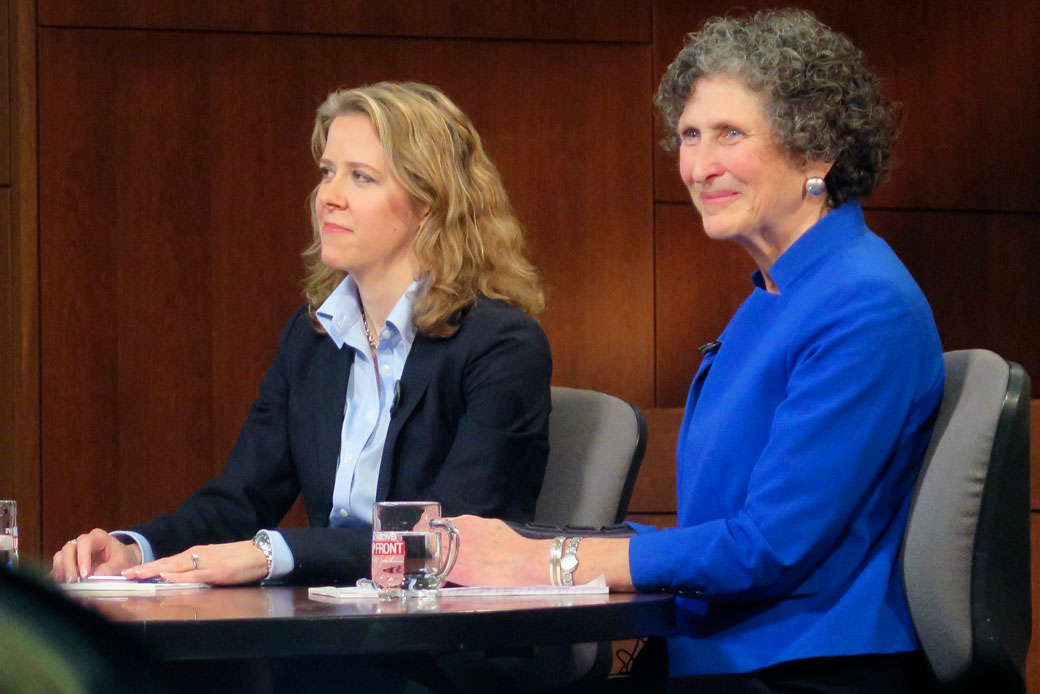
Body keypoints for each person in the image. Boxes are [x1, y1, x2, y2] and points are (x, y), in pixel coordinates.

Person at [449, 9, 944, 692]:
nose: (698, 166)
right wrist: (528, 545)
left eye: (729, 134)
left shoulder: (863, 302)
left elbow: (764, 548)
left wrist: (551, 562)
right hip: (722, 654)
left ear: (817, 150)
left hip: (802, 668)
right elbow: (721, 533)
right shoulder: (771, 300)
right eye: (688, 136)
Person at [52, 81, 552, 587]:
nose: (328, 198)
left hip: (449, 648)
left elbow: (446, 541)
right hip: (332, 632)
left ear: (429, 203)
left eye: (361, 177)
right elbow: (241, 499)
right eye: (327, 173)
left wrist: (272, 553)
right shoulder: (313, 335)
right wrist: (133, 550)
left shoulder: (502, 346)